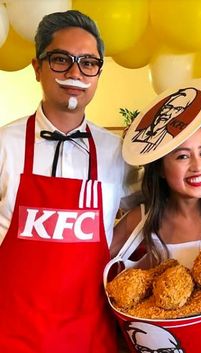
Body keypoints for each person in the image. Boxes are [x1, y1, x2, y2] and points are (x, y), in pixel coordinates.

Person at [0, 10, 139, 353]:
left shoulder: (117, 152)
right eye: (61, 59)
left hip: (90, 336)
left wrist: (113, 247)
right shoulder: (4, 144)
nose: (76, 73)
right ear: (38, 67)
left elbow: (150, 207)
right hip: (11, 333)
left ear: (98, 73)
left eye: (89, 63)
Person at [111, 79, 201, 270]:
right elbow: (91, 264)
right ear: (160, 168)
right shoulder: (140, 219)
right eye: (183, 156)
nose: (198, 166)